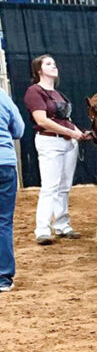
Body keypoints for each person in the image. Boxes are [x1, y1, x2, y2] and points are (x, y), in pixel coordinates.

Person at [23, 54, 85, 244]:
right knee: (50, 187)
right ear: (39, 70)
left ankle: (62, 225)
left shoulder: (58, 94)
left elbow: (66, 120)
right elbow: (42, 120)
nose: (54, 66)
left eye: (54, 63)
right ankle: (42, 229)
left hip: (67, 142)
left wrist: (79, 133)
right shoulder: (35, 91)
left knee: (64, 187)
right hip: (49, 141)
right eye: (48, 64)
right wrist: (70, 132)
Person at [0, 86, 25, 292]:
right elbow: (19, 129)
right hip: (4, 163)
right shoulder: (2, 96)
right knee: (3, 221)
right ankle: (3, 277)